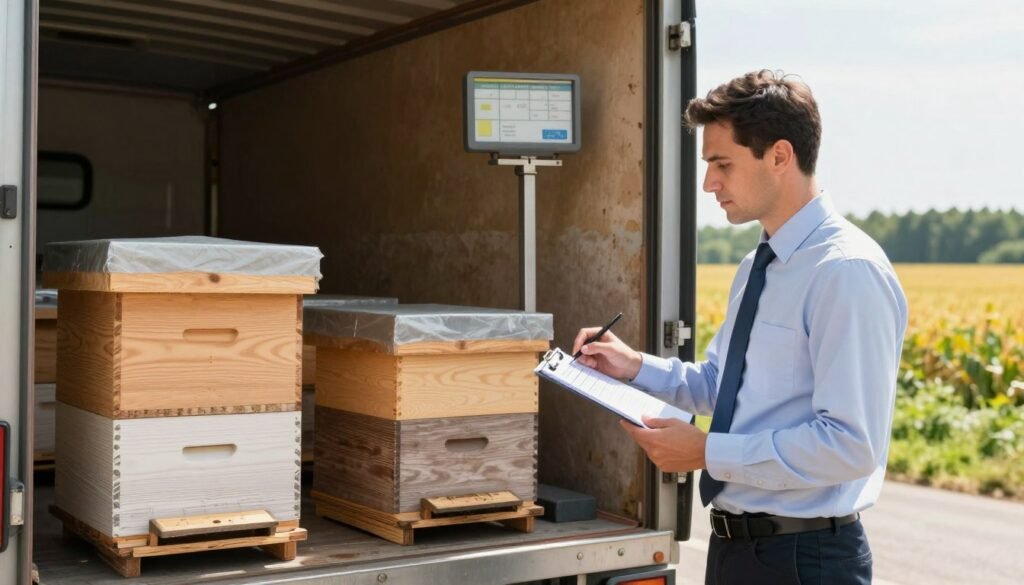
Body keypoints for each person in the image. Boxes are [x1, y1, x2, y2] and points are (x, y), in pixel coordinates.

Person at [573, 70, 908, 585]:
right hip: (736, 553)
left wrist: (707, 452)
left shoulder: (845, 272)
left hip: (805, 559)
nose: (709, 183)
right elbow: (720, 385)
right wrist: (633, 365)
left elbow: (850, 445)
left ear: (779, 156)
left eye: (721, 164)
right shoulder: (759, 265)